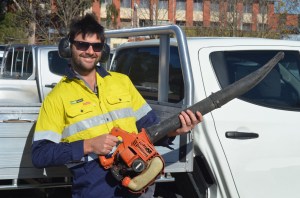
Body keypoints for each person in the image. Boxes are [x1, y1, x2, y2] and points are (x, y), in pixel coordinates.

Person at [31, 13, 202, 198]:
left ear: (103, 50)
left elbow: (150, 129)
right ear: (68, 46)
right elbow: (41, 154)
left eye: (96, 46)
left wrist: (173, 131)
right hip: (96, 187)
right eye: (82, 44)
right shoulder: (57, 97)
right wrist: (88, 145)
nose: (90, 51)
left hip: (138, 179)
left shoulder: (122, 82)